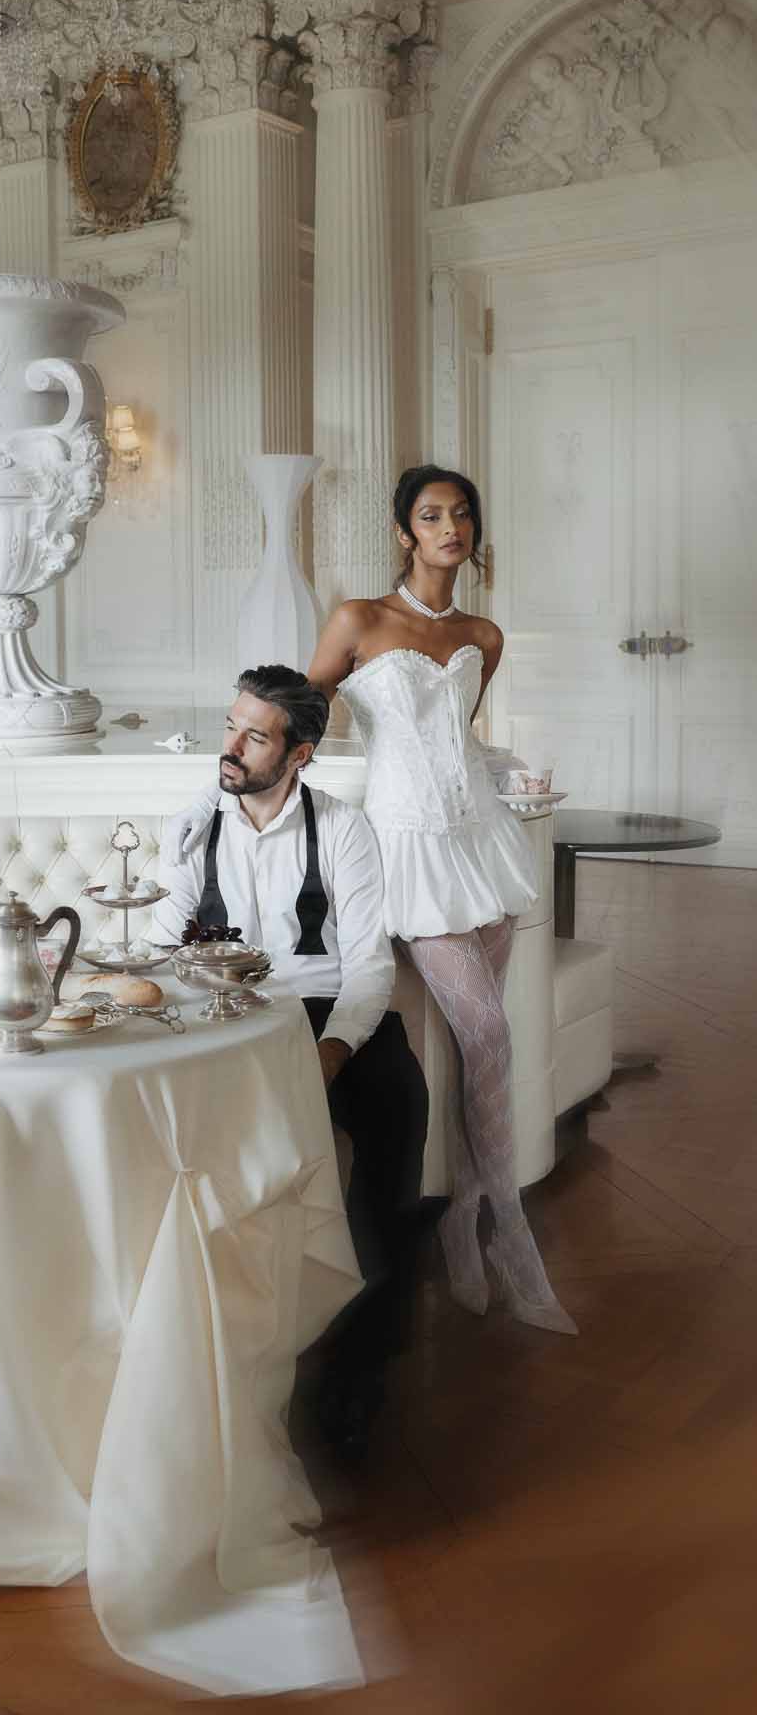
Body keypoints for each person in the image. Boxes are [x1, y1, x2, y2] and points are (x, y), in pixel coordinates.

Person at [306, 466, 575, 1336]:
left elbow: (457, 739)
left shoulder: (483, 634)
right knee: (489, 1033)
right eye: (430, 515)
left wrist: (511, 773)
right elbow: (303, 716)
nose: (448, 526)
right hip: (408, 851)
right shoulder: (358, 620)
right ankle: (510, 1238)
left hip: (482, 845)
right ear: (403, 531)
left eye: (461, 514)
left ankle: (462, 1219)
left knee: (480, 1050)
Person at [150, 665, 431, 1461]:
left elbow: (371, 964)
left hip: (326, 1012)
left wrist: (331, 1054)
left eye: (254, 735)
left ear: (300, 753)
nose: (230, 748)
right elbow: (163, 939)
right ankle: (209, 1347)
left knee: (395, 1114)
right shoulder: (192, 824)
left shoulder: (342, 829)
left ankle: (361, 1363)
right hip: (227, 1015)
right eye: (230, 725)